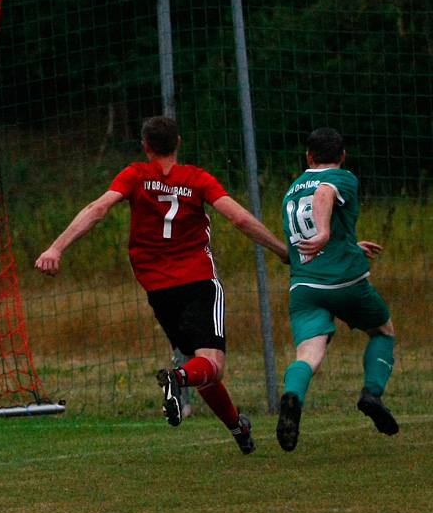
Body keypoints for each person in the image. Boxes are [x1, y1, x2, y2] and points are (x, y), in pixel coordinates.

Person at [35, 116, 289, 455]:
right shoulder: (197, 179)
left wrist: (56, 247)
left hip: (158, 288)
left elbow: (98, 209)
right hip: (198, 280)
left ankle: (238, 428)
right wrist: (282, 251)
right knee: (211, 364)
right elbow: (240, 218)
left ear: (146, 147)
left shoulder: (136, 175)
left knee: (199, 365)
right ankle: (178, 380)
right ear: (178, 143)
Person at [276, 127, 397, 451]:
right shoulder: (340, 177)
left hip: (304, 286)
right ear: (342, 156)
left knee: (309, 355)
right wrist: (327, 234)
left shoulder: (291, 190)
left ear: (308, 156)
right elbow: (324, 195)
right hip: (345, 282)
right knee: (383, 331)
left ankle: (293, 398)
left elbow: (310, 218)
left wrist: (344, 241)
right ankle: (372, 393)